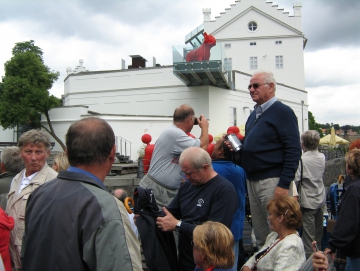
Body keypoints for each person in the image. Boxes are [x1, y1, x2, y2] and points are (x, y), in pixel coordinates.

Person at [21, 117, 142, 271]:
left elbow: (25, 255)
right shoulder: (106, 208)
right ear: (112, 153)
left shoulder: (38, 194)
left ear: (67, 152)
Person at [240, 71, 301, 248]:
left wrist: (283, 184)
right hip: (253, 180)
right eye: (249, 86)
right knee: (261, 235)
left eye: (255, 85)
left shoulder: (283, 112)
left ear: (271, 87)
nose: (251, 89)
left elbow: (293, 150)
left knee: (279, 234)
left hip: (272, 181)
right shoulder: (254, 114)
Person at [156, 146, 238, 271]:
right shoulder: (188, 186)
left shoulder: (224, 190)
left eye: (189, 173)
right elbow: (171, 212)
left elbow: (214, 234)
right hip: (186, 259)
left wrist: (178, 225)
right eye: (184, 173)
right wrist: (147, 216)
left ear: (205, 167)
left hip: (209, 263)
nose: (186, 177)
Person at [5, 130, 58, 271]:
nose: (33, 157)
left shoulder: (54, 182)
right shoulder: (17, 179)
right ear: (20, 153)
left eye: (38, 152)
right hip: (11, 255)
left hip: (34, 257)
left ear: (47, 153)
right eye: (28, 152)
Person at [139, 104, 209, 208]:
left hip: (161, 189)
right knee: (159, 223)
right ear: (190, 119)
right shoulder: (175, 133)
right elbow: (201, 148)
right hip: (157, 189)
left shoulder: (173, 132)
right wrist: (205, 127)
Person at [241, 195, 305, 271]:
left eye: (270, 214)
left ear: (280, 218)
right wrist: (246, 267)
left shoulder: (291, 246)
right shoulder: (274, 235)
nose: (268, 218)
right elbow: (256, 258)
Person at [212, 137, 247, 270]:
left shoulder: (210, 169)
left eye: (216, 144)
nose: (213, 146)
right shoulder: (240, 171)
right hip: (235, 228)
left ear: (221, 151)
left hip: (214, 229)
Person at [325, 149, 360, 270]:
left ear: (350, 168)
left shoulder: (354, 190)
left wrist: (332, 245)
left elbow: (348, 221)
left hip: (356, 251)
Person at [294, 130, 326, 258]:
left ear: (303, 144)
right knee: (318, 235)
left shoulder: (301, 160)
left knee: (308, 238)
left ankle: (309, 262)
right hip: (320, 198)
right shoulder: (322, 157)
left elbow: (296, 180)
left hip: (307, 201)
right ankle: (319, 258)